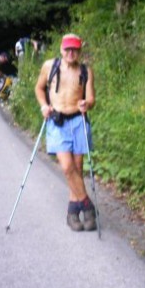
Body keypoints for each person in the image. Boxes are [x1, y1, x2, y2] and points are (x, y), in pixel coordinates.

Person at [34, 33, 97, 231]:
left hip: (78, 121)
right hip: (57, 122)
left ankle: (72, 213)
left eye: (75, 49)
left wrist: (87, 103)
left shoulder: (86, 71)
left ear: (79, 51)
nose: (71, 53)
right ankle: (87, 205)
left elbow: (91, 99)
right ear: (61, 49)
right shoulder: (49, 66)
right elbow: (39, 88)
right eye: (67, 49)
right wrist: (44, 105)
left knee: (77, 168)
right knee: (68, 167)